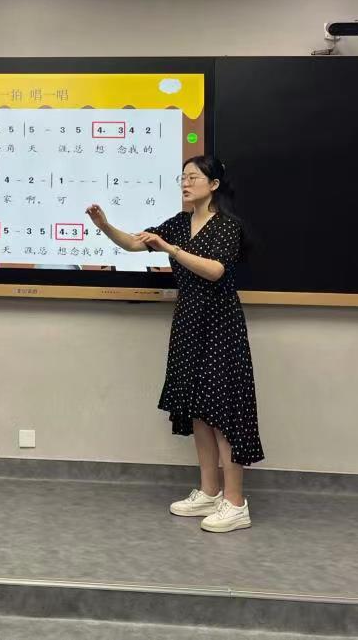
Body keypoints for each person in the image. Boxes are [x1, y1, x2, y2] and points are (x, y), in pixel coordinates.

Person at [86, 155, 263, 533]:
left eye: (193, 177)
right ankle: (210, 492)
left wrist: (172, 250)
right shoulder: (180, 224)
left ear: (213, 185)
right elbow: (134, 244)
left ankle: (236, 503)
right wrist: (105, 227)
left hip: (221, 325)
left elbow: (215, 271)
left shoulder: (227, 225)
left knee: (224, 413)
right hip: (187, 323)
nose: (185, 183)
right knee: (198, 409)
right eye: (182, 177)